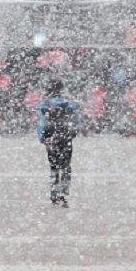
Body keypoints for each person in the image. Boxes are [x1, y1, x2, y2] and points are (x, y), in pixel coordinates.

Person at [36, 79, 80, 208]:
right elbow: (76, 119)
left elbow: (41, 122)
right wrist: (73, 132)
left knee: (54, 167)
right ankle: (63, 193)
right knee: (66, 166)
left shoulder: (45, 103)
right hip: (66, 136)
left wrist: (42, 137)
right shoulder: (69, 102)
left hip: (50, 137)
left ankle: (54, 194)